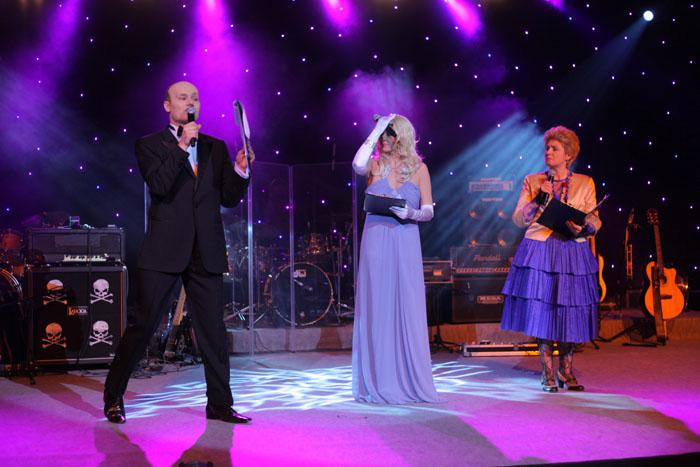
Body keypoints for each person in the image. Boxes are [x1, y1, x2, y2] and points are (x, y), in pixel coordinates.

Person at [103, 81, 253, 424]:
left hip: (206, 249)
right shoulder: (149, 145)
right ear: (167, 105)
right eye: (183, 97)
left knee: (213, 331)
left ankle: (219, 404)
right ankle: (113, 396)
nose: (190, 102)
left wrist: (241, 170)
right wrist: (182, 144)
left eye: (195, 97)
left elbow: (228, 198)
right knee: (143, 324)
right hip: (165, 249)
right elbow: (159, 185)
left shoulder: (215, 147)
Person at [500, 125, 601, 392]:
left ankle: (566, 372)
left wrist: (585, 228)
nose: (548, 152)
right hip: (540, 248)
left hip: (571, 249)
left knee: (568, 309)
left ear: (568, 154)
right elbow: (518, 218)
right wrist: (539, 198)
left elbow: (594, 219)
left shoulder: (585, 182)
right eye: (547, 147)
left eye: (555, 148)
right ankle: (547, 373)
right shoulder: (533, 181)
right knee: (543, 310)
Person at [351, 114, 439, 404]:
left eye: (390, 134)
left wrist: (411, 213)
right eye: (382, 135)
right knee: (378, 306)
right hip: (376, 241)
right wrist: (376, 128)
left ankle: (407, 379)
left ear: (402, 136)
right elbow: (357, 164)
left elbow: (429, 211)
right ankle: (379, 380)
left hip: (405, 240)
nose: (384, 140)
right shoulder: (374, 165)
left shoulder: (419, 169)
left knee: (406, 304)